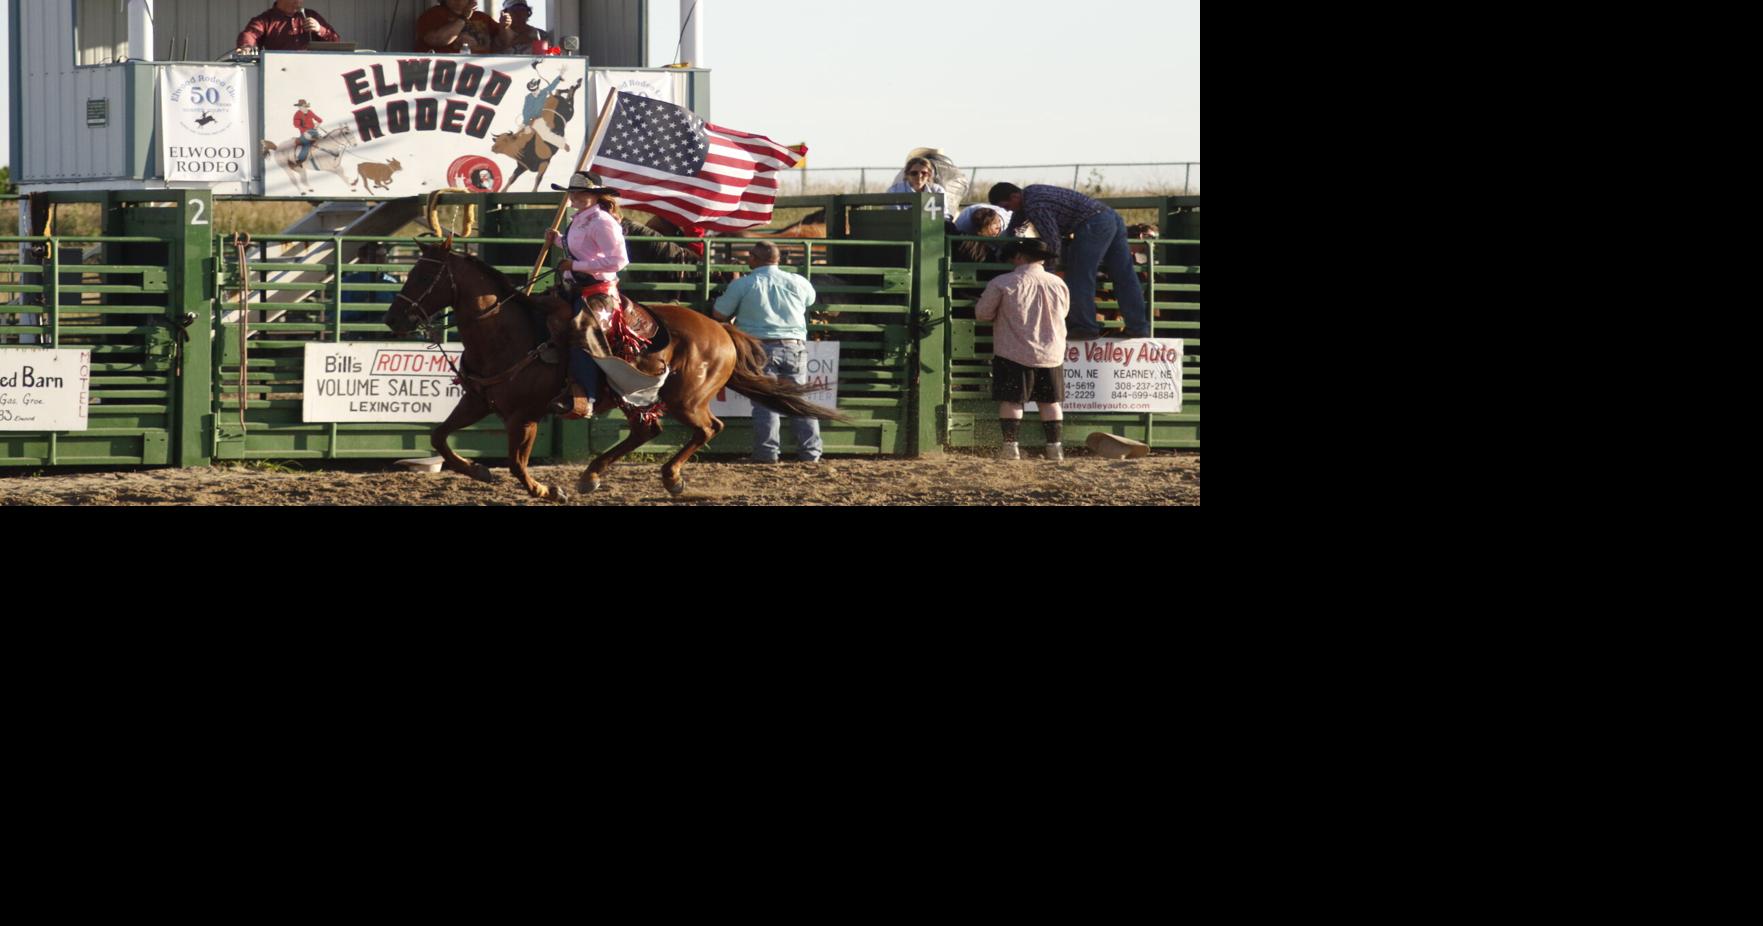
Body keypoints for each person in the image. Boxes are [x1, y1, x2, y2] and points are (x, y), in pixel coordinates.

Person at [988, 182, 1149, 341]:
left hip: (1092, 224)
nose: (1008, 209)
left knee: (1079, 277)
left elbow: (1053, 240)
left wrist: (1048, 270)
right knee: (1124, 275)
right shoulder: (1031, 194)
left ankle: (1085, 327)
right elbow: (1016, 226)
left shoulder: (1033, 205)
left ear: (1015, 196)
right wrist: (1007, 241)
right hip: (1109, 216)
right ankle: (1138, 328)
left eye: (1007, 205)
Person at [711, 241, 824, 464]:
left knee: (764, 402)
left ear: (753, 258)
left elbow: (719, 314)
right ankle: (811, 453)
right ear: (778, 259)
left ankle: (767, 453)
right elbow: (810, 300)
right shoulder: (798, 281)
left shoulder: (744, 284)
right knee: (797, 399)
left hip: (758, 347)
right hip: (794, 345)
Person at [975, 239, 1070, 462]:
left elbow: (983, 314)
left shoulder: (1004, 283)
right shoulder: (1058, 283)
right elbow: (1064, 312)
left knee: (1012, 401)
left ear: (1019, 257)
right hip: (1051, 353)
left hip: (1013, 351)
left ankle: (1010, 448)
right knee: (1050, 402)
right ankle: (1055, 449)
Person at [544, 172, 628, 418]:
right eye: (573, 192)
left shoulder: (602, 220)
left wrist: (575, 267)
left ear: (595, 195)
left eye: (581, 192)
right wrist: (559, 240)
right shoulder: (580, 219)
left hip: (599, 291)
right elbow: (583, 248)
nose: (575, 196)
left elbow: (619, 260)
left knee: (583, 332)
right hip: (574, 287)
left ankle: (588, 397)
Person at [341, 242, 399, 340]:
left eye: (385, 256)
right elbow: (341, 313)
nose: (383, 260)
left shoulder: (392, 281)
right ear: (364, 259)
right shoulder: (349, 281)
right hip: (359, 329)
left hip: (386, 329)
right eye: (377, 256)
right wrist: (363, 307)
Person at [235, 0, 341, 53]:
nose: (299, 1)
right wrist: (247, 47)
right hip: (280, 70)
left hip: (310, 69)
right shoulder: (266, 19)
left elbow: (336, 41)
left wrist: (319, 29)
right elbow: (250, 34)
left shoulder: (311, 15)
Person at [416, 0, 510, 54]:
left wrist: (504, 27)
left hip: (483, 74)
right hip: (445, 75)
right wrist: (463, 18)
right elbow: (437, 40)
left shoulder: (482, 17)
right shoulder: (433, 14)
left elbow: (506, 43)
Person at [521, 65, 571, 153]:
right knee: (519, 133)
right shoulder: (528, 97)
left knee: (545, 135)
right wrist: (526, 123)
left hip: (539, 118)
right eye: (532, 90)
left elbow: (552, 86)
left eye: (536, 89)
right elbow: (526, 110)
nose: (535, 91)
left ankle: (563, 144)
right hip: (529, 119)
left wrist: (560, 76)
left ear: (538, 87)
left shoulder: (543, 92)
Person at [886, 156, 953, 218]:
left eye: (924, 173)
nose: (919, 176)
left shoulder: (937, 190)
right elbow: (894, 218)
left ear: (929, 175)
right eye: (914, 173)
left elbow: (944, 215)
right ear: (907, 175)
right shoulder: (894, 191)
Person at [292, 100, 324, 165]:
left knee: (322, 142)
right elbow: (296, 125)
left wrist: (317, 124)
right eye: (300, 107)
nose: (302, 108)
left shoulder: (310, 112)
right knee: (307, 145)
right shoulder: (297, 115)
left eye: (304, 106)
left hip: (313, 131)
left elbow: (319, 119)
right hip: (304, 133)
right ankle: (300, 160)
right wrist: (305, 131)